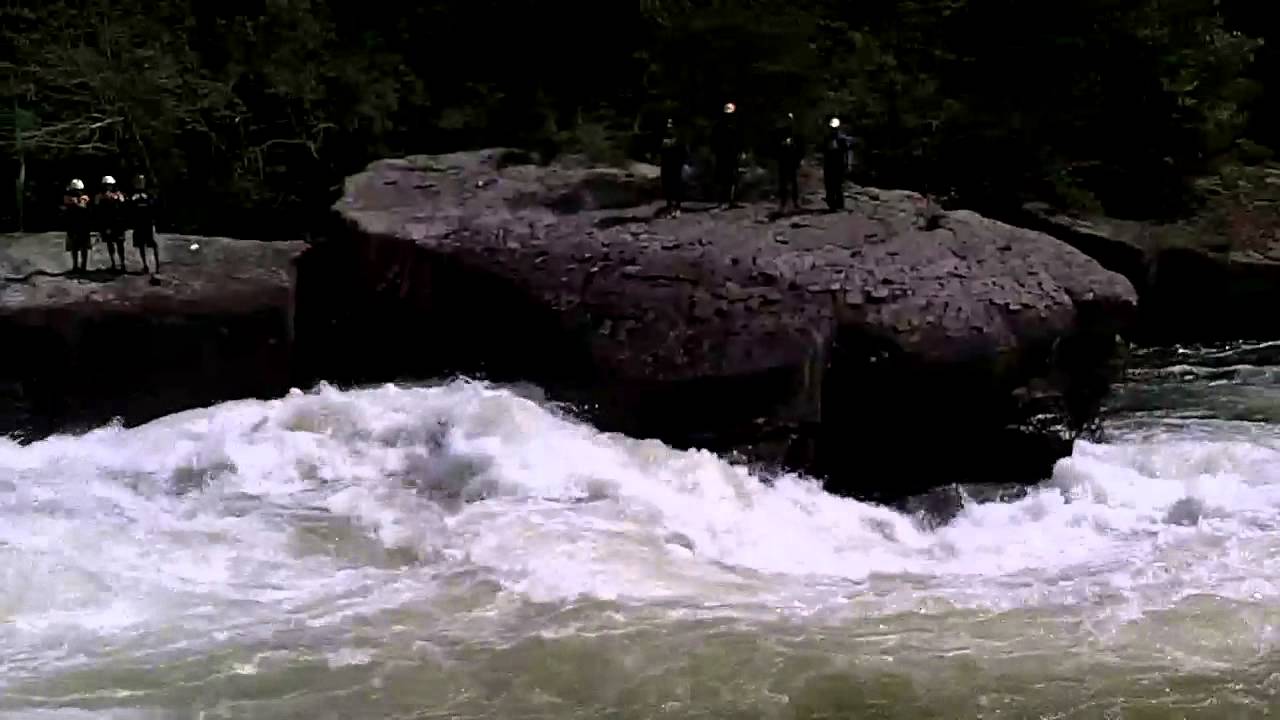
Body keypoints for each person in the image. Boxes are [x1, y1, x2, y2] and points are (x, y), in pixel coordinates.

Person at [711, 102, 743, 207]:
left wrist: (739, 151)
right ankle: (723, 201)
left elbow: (738, 140)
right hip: (723, 154)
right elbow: (714, 141)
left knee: (731, 178)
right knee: (723, 178)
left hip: (730, 154)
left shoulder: (733, 126)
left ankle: (729, 200)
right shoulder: (720, 126)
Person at [95, 175, 128, 271]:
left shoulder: (119, 195)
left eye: (110, 185)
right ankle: (113, 263)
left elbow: (123, 205)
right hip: (107, 223)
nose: (108, 187)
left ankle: (122, 263)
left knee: (120, 243)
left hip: (118, 223)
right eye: (106, 185)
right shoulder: (99, 196)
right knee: (110, 243)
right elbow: (97, 210)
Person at [129, 174, 160, 272]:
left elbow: (154, 206)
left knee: (153, 244)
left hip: (148, 223)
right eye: (138, 182)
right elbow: (130, 209)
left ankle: (157, 265)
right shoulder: (133, 196)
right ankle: (145, 265)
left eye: (141, 181)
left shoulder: (148, 194)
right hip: (139, 224)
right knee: (141, 245)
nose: (140, 184)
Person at [822, 117, 853, 211]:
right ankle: (832, 203)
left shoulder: (842, 139)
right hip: (829, 164)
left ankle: (839, 203)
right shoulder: (827, 138)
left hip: (839, 164)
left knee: (838, 185)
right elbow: (823, 151)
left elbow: (847, 152)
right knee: (830, 184)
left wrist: (848, 164)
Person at [775, 112, 803, 213]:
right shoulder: (780, 134)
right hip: (783, 161)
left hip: (792, 161)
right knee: (783, 184)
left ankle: (795, 202)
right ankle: (783, 203)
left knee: (793, 183)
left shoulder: (795, 134)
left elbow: (800, 147)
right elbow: (776, 147)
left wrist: (799, 159)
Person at [62, 179, 92, 273]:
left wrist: (76, 203)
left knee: (84, 247)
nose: (77, 192)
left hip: (83, 225)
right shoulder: (68, 198)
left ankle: (83, 266)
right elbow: (67, 204)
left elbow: (83, 206)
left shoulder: (84, 197)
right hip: (72, 225)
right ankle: (75, 266)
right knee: (74, 247)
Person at [659, 118, 687, 216]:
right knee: (667, 186)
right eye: (668, 126)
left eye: (671, 126)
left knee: (677, 186)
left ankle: (677, 206)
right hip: (666, 165)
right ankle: (669, 206)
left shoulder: (679, 139)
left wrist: (682, 163)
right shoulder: (663, 139)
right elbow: (660, 152)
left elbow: (683, 152)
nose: (669, 128)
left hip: (676, 166)